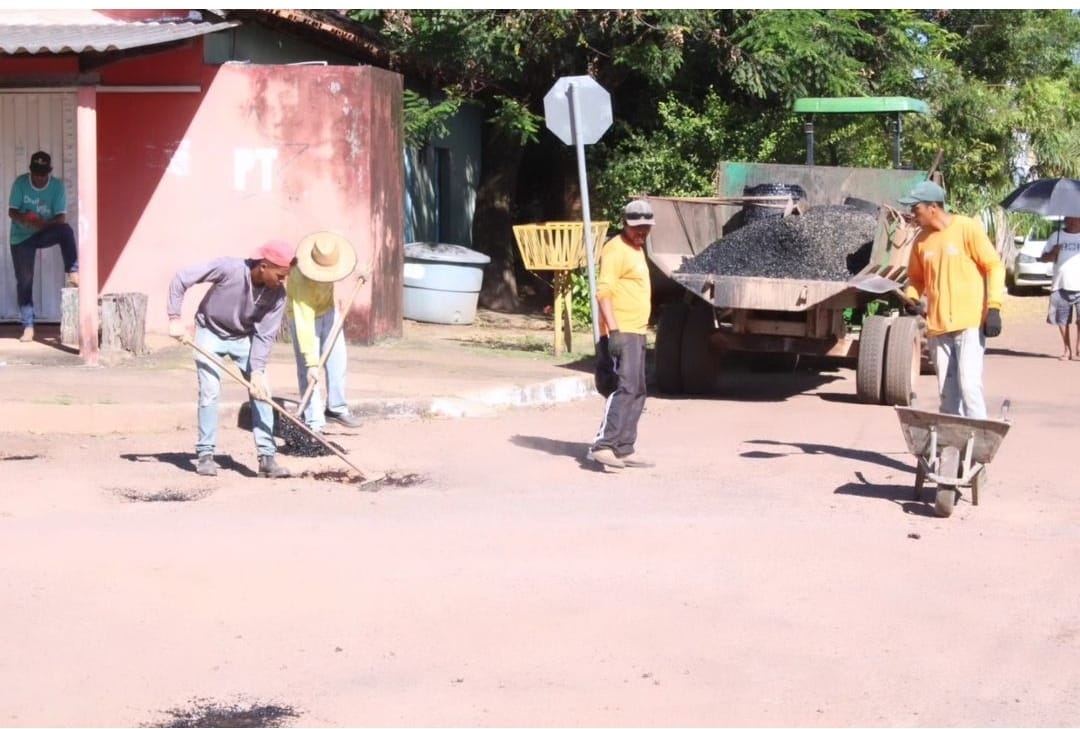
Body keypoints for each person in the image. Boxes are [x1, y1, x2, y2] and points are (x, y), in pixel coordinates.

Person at [167, 240, 295, 478]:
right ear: (264, 266)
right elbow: (182, 278)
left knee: (262, 392)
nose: (282, 281)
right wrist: (174, 317)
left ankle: (267, 458)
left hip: (243, 338)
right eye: (280, 275)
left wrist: (257, 371)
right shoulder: (229, 269)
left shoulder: (277, 295)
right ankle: (205, 455)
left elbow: (264, 336)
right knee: (210, 391)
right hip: (210, 332)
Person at [901, 180, 1006, 420]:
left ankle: (977, 449)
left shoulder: (966, 228)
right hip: (938, 328)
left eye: (916, 209)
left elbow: (994, 266)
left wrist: (994, 308)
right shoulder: (921, 240)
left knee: (969, 387)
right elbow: (916, 279)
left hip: (969, 323)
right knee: (947, 394)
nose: (913, 214)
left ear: (933, 207)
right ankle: (952, 449)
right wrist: (911, 298)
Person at [588, 199, 655, 470]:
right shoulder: (615, 249)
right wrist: (613, 331)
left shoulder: (637, 248)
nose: (641, 232)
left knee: (638, 390)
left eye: (646, 227)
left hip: (637, 330)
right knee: (623, 387)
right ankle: (604, 445)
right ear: (624, 224)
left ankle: (624, 448)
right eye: (636, 227)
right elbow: (603, 292)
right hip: (622, 329)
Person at [286, 231, 363, 432]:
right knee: (308, 372)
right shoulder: (301, 278)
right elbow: (304, 322)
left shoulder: (333, 260)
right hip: (304, 318)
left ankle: (336, 409)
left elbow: (350, 267)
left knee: (337, 361)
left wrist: (360, 274)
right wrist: (312, 362)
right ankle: (314, 422)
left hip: (328, 311)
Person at [7, 151, 79, 343]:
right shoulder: (20, 183)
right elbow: (11, 211)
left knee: (65, 231)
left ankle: (73, 270)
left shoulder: (56, 187)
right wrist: (25, 219)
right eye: (36, 174)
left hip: (44, 231)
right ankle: (28, 326)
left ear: (49, 172)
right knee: (25, 281)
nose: (39, 178)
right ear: (30, 171)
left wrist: (41, 225)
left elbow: (60, 217)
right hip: (21, 237)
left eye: (43, 174)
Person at [1038, 216, 1080, 360]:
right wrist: (1053, 253)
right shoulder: (1056, 236)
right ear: (1065, 219)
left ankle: (1078, 348)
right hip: (1060, 284)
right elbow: (1043, 258)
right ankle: (1067, 349)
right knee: (1062, 319)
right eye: (1069, 218)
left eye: (1076, 218)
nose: (1072, 221)